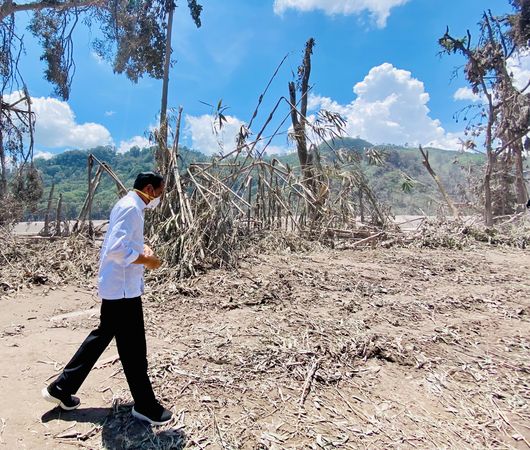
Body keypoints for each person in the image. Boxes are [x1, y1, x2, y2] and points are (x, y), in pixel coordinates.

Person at [42, 172, 172, 426]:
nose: (160, 196)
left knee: (104, 337)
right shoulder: (131, 208)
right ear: (149, 188)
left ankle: (61, 389)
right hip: (122, 289)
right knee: (133, 348)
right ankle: (145, 405)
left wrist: (143, 250)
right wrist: (150, 261)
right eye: (160, 191)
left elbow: (123, 243)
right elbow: (116, 249)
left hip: (120, 287)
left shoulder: (130, 206)